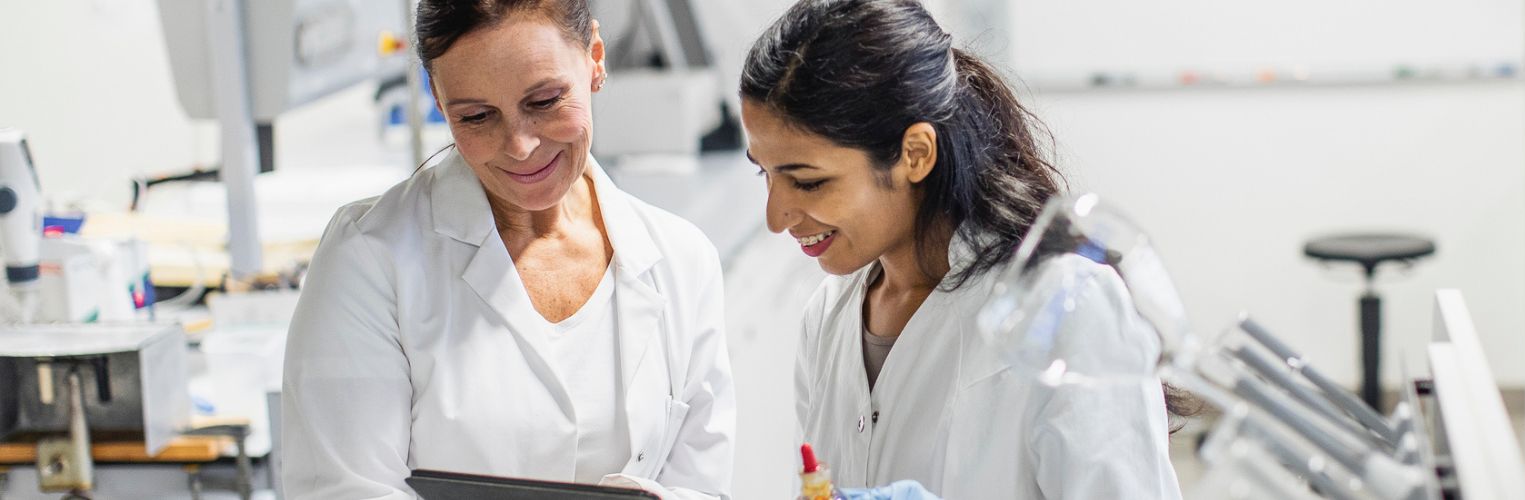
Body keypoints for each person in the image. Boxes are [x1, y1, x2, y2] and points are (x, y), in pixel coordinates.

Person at [738, 1, 1193, 498]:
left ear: (915, 154)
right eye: (765, 173)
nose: (775, 217)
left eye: (809, 182)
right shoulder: (828, 314)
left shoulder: (1066, 307)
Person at [280, 1, 732, 498]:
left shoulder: (682, 260)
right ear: (438, 96)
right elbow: (347, 489)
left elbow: (700, 486)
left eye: (544, 102)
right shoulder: (369, 259)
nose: (518, 145)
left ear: (595, 59)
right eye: (476, 116)